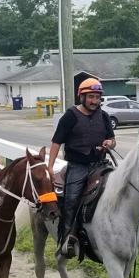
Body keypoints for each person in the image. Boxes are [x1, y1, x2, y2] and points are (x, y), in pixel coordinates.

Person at [47, 77, 116, 258]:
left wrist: (110, 142)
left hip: (101, 164)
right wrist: (50, 167)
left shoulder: (104, 116)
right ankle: (67, 238)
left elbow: (113, 140)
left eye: (97, 97)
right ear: (82, 97)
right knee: (71, 200)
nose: (95, 101)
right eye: (91, 97)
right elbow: (56, 142)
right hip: (78, 166)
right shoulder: (70, 116)